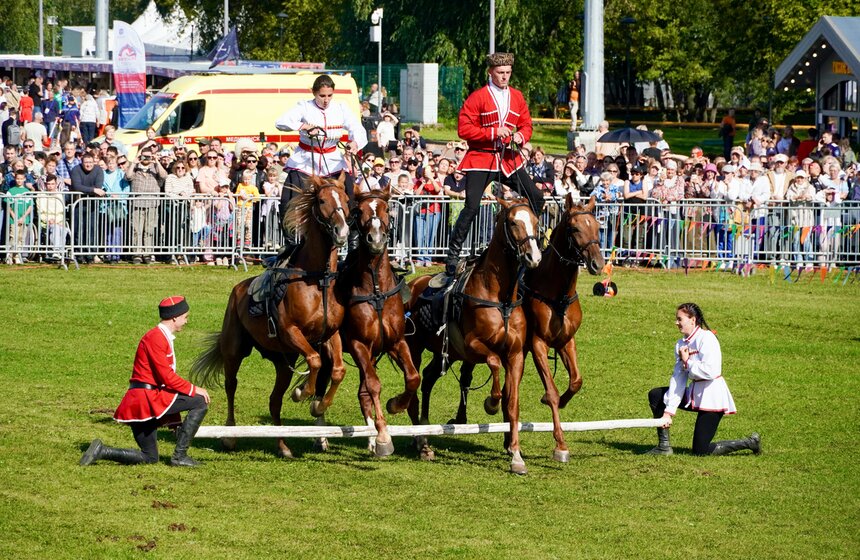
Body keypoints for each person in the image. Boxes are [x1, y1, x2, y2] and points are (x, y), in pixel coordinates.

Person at [444, 52, 544, 276]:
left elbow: (526, 124)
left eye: (508, 73)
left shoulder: (517, 96)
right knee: (471, 206)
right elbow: (463, 129)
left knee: (537, 197)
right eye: (500, 73)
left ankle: (532, 245)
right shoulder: (478, 97)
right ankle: (452, 256)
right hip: (482, 158)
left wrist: (521, 136)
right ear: (491, 72)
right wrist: (493, 132)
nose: (505, 77)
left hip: (508, 158)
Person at [80, 296, 211, 467]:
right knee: (200, 401)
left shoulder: (160, 336)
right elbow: (166, 377)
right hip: (147, 400)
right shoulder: (156, 338)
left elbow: (164, 383)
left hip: (144, 401)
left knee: (149, 458)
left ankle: (102, 451)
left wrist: (173, 420)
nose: (187, 321)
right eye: (185, 317)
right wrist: (194, 389)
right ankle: (180, 457)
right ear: (174, 317)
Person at [645, 303, 761, 456]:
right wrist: (668, 412)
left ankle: (750, 443)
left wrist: (687, 362)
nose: (676, 322)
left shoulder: (707, 338)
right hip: (694, 395)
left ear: (692, 320)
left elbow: (711, 371)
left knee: (700, 451)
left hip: (712, 397)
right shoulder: (680, 344)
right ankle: (664, 446)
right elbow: (678, 378)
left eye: (680, 319)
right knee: (656, 394)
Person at [274, 73, 367, 216]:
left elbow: (357, 128)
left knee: (350, 192)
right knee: (287, 199)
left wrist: (354, 142)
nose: (326, 100)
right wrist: (304, 126)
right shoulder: (304, 106)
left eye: (330, 95)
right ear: (314, 92)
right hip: (304, 161)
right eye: (322, 96)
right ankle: (289, 234)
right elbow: (280, 122)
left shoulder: (341, 108)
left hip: (333, 161)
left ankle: (353, 233)